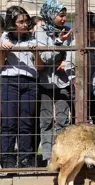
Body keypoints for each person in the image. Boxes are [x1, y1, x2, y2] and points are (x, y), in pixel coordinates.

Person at [0, 5, 38, 168]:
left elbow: (40, 67)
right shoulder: (4, 37)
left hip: (29, 81)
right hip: (9, 81)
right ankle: (7, 157)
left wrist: (36, 52)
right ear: (12, 23)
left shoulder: (32, 38)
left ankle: (26, 157)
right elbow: (1, 65)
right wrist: (3, 51)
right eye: (20, 22)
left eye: (26, 21)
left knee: (26, 122)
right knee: (9, 122)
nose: (24, 24)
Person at [37, 0, 74, 165]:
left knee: (62, 120)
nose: (64, 19)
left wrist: (67, 61)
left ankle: (61, 157)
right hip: (45, 83)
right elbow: (45, 59)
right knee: (46, 121)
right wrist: (58, 43)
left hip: (63, 82)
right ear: (50, 15)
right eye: (61, 15)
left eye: (65, 15)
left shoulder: (69, 31)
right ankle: (47, 157)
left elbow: (75, 52)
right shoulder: (41, 34)